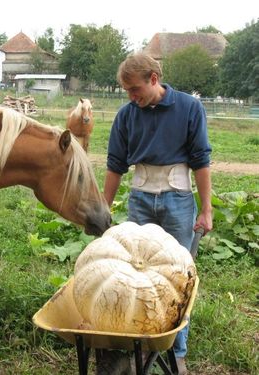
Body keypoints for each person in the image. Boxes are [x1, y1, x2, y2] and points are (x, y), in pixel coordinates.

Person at [103, 53, 213, 374]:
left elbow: (201, 160)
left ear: (154, 79)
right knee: (139, 274)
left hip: (178, 199)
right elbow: (115, 164)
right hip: (140, 199)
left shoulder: (189, 108)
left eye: (135, 89)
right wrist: (104, 207)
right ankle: (142, 348)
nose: (131, 96)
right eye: (126, 91)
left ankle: (176, 350)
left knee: (179, 275)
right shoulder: (127, 115)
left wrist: (206, 209)